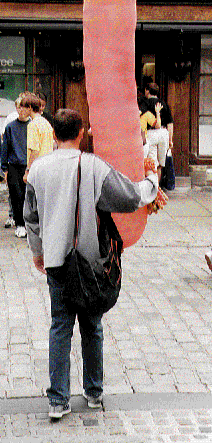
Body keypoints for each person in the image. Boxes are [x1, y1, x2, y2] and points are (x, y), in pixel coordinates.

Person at [23, 108, 158, 419]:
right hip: (91, 262)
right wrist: (152, 181)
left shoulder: (38, 169)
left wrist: (37, 251)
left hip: (57, 261)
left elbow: (30, 217)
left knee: (59, 327)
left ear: (53, 135)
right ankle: (94, 392)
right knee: (92, 327)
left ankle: (58, 400)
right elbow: (129, 197)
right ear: (80, 133)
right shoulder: (94, 166)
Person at [1, 98, 30, 238]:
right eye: (20, 107)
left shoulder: (33, 126)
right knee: (16, 196)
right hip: (14, 166)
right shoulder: (10, 127)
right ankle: (19, 224)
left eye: (25, 107)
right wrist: (4, 169)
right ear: (16, 108)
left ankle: (28, 224)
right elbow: (5, 149)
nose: (22, 110)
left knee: (28, 197)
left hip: (28, 165)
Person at [21, 92, 54, 183]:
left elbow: (35, 150)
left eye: (23, 107)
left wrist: (28, 171)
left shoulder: (33, 125)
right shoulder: (46, 123)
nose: (21, 110)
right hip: (48, 167)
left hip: (37, 170)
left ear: (30, 108)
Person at [144, 83, 174, 182]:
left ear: (147, 91)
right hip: (163, 133)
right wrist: (170, 140)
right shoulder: (164, 104)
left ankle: (154, 190)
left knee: (153, 163)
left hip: (151, 133)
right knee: (160, 164)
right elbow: (170, 124)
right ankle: (158, 189)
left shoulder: (145, 103)